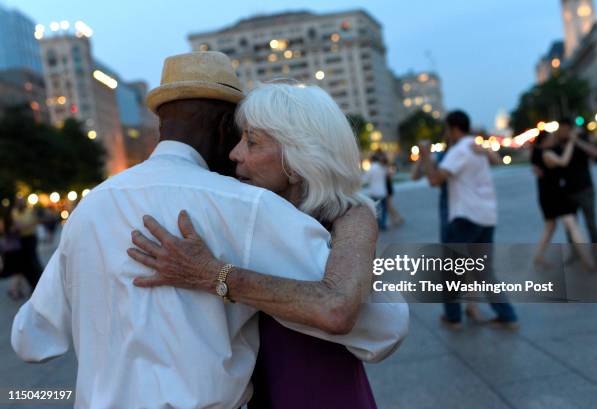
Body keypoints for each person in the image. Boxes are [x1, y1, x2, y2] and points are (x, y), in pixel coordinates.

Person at [11, 52, 408, 409]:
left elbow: (31, 339)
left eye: (250, 141)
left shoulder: (91, 206)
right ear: (223, 126)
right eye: (241, 135)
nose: (236, 154)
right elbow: (384, 324)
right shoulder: (246, 206)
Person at [127, 82, 409, 408]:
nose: (235, 154)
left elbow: (337, 309)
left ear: (297, 158)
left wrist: (211, 274)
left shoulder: (350, 215)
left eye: (252, 142)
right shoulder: (247, 213)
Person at [420, 110, 518, 329]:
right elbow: (497, 160)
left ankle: (453, 317)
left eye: (447, 128)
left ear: (454, 128)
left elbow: (435, 180)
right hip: (486, 216)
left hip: (465, 217)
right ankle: (508, 315)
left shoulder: (460, 150)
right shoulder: (477, 146)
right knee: (484, 270)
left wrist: (426, 156)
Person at [530, 131, 593, 268]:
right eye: (551, 138)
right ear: (544, 141)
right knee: (571, 223)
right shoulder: (546, 154)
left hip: (548, 194)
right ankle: (587, 259)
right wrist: (571, 142)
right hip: (554, 194)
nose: (553, 140)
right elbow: (563, 161)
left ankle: (538, 257)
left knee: (550, 227)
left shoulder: (539, 153)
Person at [555, 119, 597, 254]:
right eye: (560, 130)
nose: (562, 132)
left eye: (565, 129)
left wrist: (576, 141)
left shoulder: (580, 140)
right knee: (570, 226)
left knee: (591, 224)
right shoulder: (557, 145)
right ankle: (575, 254)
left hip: (585, 188)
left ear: (570, 129)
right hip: (567, 191)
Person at [9, 198, 42, 295]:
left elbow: (32, 223)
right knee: (25, 264)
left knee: (33, 261)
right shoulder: (14, 212)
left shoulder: (30, 211)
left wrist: (22, 226)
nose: (20, 203)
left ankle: (37, 284)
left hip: (30, 238)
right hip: (19, 240)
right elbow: (15, 226)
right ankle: (30, 285)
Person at [363, 152, 388, 230]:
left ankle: (379, 224)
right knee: (384, 209)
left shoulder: (371, 168)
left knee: (375, 209)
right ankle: (383, 224)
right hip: (383, 192)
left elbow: (365, 180)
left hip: (374, 192)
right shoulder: (382, 167)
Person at [381, 154, 405, 227]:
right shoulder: (385, 169)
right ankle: (394, 220)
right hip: (387, 189)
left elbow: (389, 177)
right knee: (389, 206)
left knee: (389, 206)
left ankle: (399, 218)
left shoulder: (386, 169)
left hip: (388, 189)